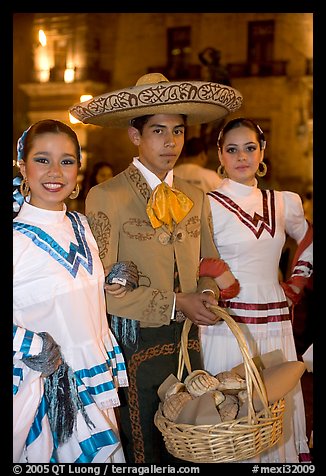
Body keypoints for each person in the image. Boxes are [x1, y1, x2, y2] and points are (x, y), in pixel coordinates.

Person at [69, 72, 243, 463]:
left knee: (190, 434)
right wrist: (178, 301)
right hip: (134, 341)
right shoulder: (106, 196)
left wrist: (208, 296)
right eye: (158, 131)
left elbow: (209, 264)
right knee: (144, 441)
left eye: (178, 131)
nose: (170, 142)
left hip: (187, 339)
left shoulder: (196, 196)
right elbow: (103, 287)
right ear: (135, 136)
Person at [13, 119, 129, 463]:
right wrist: (30, 344)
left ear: (78, 169)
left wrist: (107, 279)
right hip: (47, 397)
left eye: (66, 161)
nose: (55, 171)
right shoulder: (15, 237)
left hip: (96, 387)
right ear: (23, 167)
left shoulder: (82, 225)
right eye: (42, 159)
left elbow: (67, 289)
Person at [199, 117, 313, 463]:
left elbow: (307, 240)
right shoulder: (206, 203)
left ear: (262, 151)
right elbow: (186, 257)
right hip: (227, 321)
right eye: (232, 149)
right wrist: (216, 273)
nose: (242, 156)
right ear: (220, 154)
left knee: (276, 403)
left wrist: (296, 283)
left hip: (275, 315)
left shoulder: (284, 201)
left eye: (250, 147)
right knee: (230, 402)